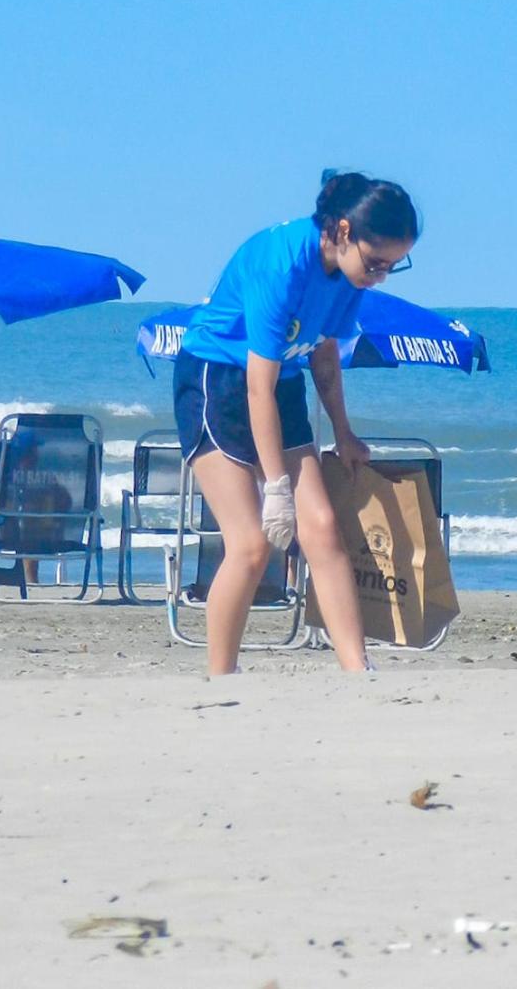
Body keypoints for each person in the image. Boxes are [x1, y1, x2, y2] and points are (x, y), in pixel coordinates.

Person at [174, 172, 418, 675]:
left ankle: (357, 669)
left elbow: (324, 357)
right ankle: (219, 677)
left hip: (282, 379)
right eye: (376, 263)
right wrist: (278, 490)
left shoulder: (351, 278)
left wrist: (345, 434)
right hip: (216, 377)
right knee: (250, 543)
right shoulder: (280, 263)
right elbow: (255, 389)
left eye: (393, 267)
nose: (379, 277)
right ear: (344, 231)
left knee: (323, 527)